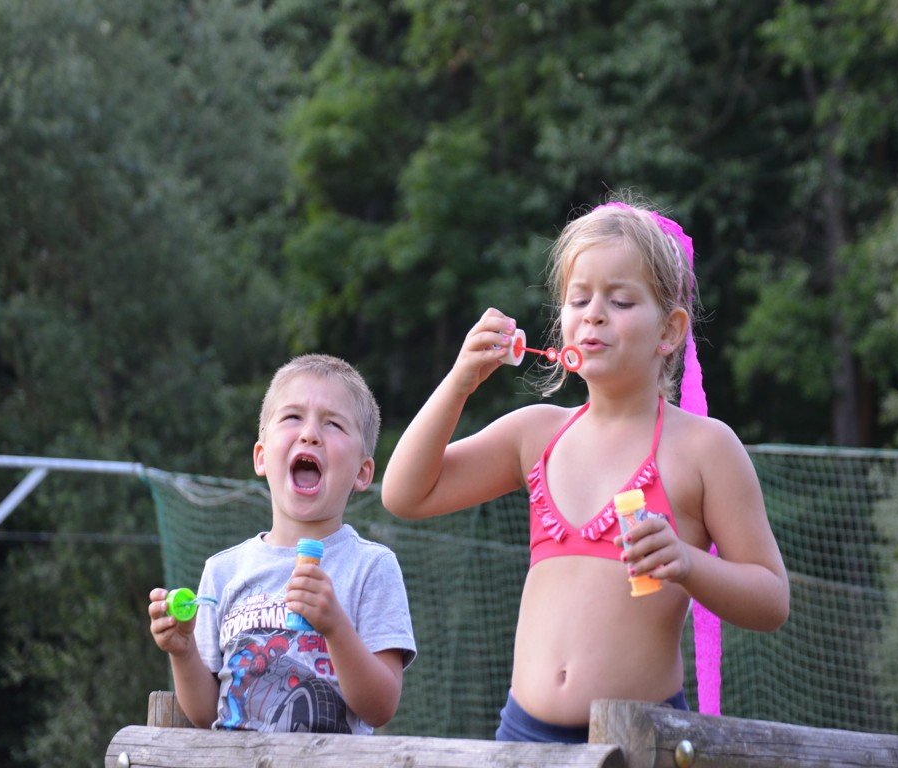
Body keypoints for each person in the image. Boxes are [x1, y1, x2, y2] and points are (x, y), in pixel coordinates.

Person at [381, 196, 789, 742]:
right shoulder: (536, 434)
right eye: (578, 299)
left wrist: (688, 562)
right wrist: (459, 383)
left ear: (669, 331)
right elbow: (405, 494)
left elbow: (771, 600)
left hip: (639, 741)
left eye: (620, 300)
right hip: (522, 740)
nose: (594, 313)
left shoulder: (704, 448)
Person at [148, 354, 416, 735]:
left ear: (362, 472)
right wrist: (183, 650)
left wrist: (335, 626)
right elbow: (208, 714)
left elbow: (381, 707)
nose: (310, 434)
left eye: (333, 423)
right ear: (261, 457)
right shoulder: (222, 571)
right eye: (292, 417)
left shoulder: (371, 567)